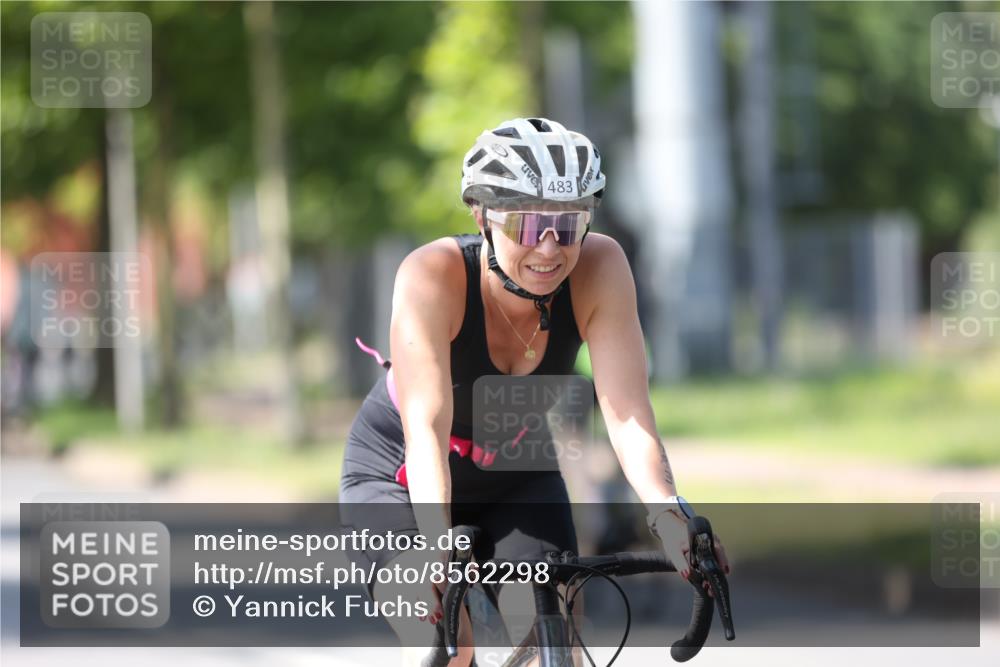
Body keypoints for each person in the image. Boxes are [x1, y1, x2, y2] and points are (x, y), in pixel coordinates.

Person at [340, 117, 729, 667]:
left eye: (570, 227)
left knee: (550, 632)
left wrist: (669, 515)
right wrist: (435, 545)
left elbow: (628, 416)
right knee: (453, 644)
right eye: (528, 225)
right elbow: (425, 428)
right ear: (482, 216)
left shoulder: (601, 266)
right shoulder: (432, 275)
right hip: (401, 473)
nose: (550, 248)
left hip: (516, 463)